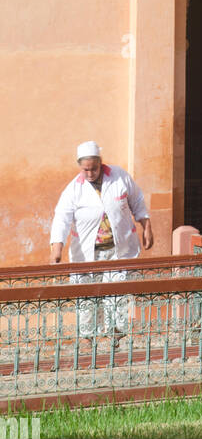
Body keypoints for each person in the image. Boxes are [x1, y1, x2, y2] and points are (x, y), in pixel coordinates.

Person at [49, 141, 152, 349]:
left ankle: (116, 337)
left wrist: (146, 225)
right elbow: (62, 218)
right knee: (87, 296)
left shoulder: (119, 177)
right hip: (87, 254)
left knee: (118, 294)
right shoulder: (73, 190)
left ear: (101, 164)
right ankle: (87, 339)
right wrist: (57, 247)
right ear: (80, 167)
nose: (90, 173)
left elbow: (137, 200)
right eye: (85, 169)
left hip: (118, 250)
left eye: (93, 168)